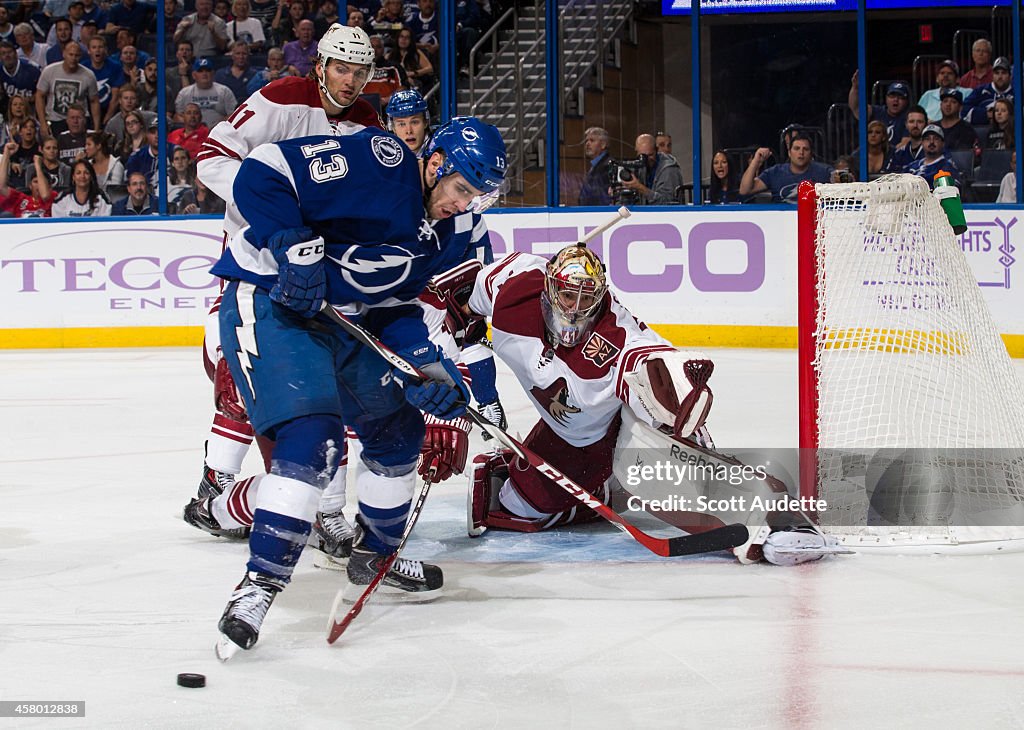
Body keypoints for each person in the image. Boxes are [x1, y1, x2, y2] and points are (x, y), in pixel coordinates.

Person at [208, 118, 506, 656]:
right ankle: (259, 585)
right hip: (272, 303)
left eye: (475, 198)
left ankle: (377, 556)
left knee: (398, 430)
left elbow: (395, 303)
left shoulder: (446, 230)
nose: (463, 205)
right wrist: (291, 242)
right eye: (461, 189)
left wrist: (425, 364)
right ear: (435, 163)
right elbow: (262, 170)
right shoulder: (380, 160)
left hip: (346, 320)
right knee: (313, 440)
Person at [464, 244, 832, 566]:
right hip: (568, 436)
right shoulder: (515, 283)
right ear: (548, 288)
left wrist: (688, 429)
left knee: (648, 464)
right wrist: (453, 380)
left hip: (614, 430)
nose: (576, 309)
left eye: (586, 297)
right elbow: (456, 301)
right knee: (514, 508)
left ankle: (778, 516)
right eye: (567, 296)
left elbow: (654, 370)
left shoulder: (616, 335)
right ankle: (606, 489)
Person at [192, 22, 382, 514]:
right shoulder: (280, 98)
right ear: (320, 65)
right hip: (254, 266)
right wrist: (276, 207)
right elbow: (211, 158)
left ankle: (327, 509)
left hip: (320, 275)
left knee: (327, 389)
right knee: (240, 373)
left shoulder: (367, 121)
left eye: (360, 71)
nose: (351, 80)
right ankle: (217, 482)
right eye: (342, 68)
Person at [739, 133, 833, 204]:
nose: (801, 152)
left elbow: (842, 181)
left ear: (811, 153)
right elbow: (745, 190)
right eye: (796, 148)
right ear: (789, 153)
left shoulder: (824, 171)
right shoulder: (775, 172)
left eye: (806, 149)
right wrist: (755, 161)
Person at [35, 40, 101, 137]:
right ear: (64, 54)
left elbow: (94, 101)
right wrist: (43, 123)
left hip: (79, 122)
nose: (73, 58)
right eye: (71, 54)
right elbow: (39, 95)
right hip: (55, 120)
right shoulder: (49, 71)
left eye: (76, 55)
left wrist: (96, 128)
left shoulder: (88, 75)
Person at [617, 132, 683, 205]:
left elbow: (668, 202)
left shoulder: (669, 169)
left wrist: (640, 187)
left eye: (650, 155)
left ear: (656, 150)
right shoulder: (640, 165)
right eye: (642, 156)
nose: (646, 159)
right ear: (637, 152)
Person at [848, 72, 910, 147]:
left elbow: (904, 145)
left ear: (906, 101)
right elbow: (856, 107)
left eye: (900, 97)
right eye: (892, 96)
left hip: (894, 156)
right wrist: (855, 88)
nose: (896, 99)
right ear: (886, 98)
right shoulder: (877, 111)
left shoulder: (909, 118)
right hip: (872, 154)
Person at [175, 57, 237, 128]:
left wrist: (218, 127)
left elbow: (233, 115)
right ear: (194, 75)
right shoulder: (184, 93)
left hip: (218, 133)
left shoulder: (224, 91)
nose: (204, 74)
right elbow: (178, 116)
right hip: (192, 134)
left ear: (213, 73)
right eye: (200, 71)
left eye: (207, 70)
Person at [0, 140, 54, 216]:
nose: (39, 185)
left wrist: (38, 167)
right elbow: (1, 187)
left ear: (49, 187)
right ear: (30, 185)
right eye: (35, 182)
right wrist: (6, 154)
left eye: (42, 182)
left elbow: (44, 195)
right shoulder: (20, 198)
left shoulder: (53, 198)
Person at [82, 35, 126, 123]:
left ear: (105, 50)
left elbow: (115, 97)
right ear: (89, 51)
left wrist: (107, 119)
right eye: (94, 47)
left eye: (100, 47)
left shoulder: (115, 67)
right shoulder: (82, 67)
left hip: (109, 110)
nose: (97, 50)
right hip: (87, 110)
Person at [905, 124, 963, 190]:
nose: (931, 142)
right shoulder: (912, 166)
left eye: (936, 139)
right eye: (927, 139)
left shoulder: (947, 167)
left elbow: (952, 191)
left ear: (943, 143)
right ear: (922, 143)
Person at [963, 56, 1014, 125]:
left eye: (1003, 73)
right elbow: (964, 110)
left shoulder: (1016, 93)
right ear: (992, 75)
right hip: (983, 132)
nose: (1000, 76)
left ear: (1010, 76)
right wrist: (986, 114)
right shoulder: (981, 90)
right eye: (997, 73)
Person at [384, 87, 429, 154]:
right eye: (402, 124)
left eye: (414, 122)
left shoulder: (441, 150)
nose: (409, 131)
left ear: (425, 122)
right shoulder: (387, 156)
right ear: (392, 127)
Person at [936, 89, 980, 156]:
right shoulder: (933, 127)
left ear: (960, 107)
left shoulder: (966, 129)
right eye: (945, 101)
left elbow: (962, 157)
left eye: (953, 102)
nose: (948, 104)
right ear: (941, 105)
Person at [85, 129, 125, 202]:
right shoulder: (87, 166)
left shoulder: (116, 165)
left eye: (89, 144)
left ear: (98, 146)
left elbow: (114, 191)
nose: (86, 148)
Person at [887, 105, 927, 173]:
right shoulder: (898, 154)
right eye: (911, 121)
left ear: (926, 124)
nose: (915, 125)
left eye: (919, 122)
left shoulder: (934, 151)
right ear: (906, 124)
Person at [577, 125, 611, 206]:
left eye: (592, 140)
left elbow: (603, 197)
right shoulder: (595, 165)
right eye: (586, 141)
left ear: (603, 145)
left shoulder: (608, 166)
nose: (587, 144)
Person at [393, 26, 432, 92]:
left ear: (411, 41)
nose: (404, 40)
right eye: (401, 37)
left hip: (413, 82)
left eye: (407, 37)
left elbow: (429, 68)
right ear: (397, 39)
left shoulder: (416, 53)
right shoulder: (390, 55)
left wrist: (413, 73)